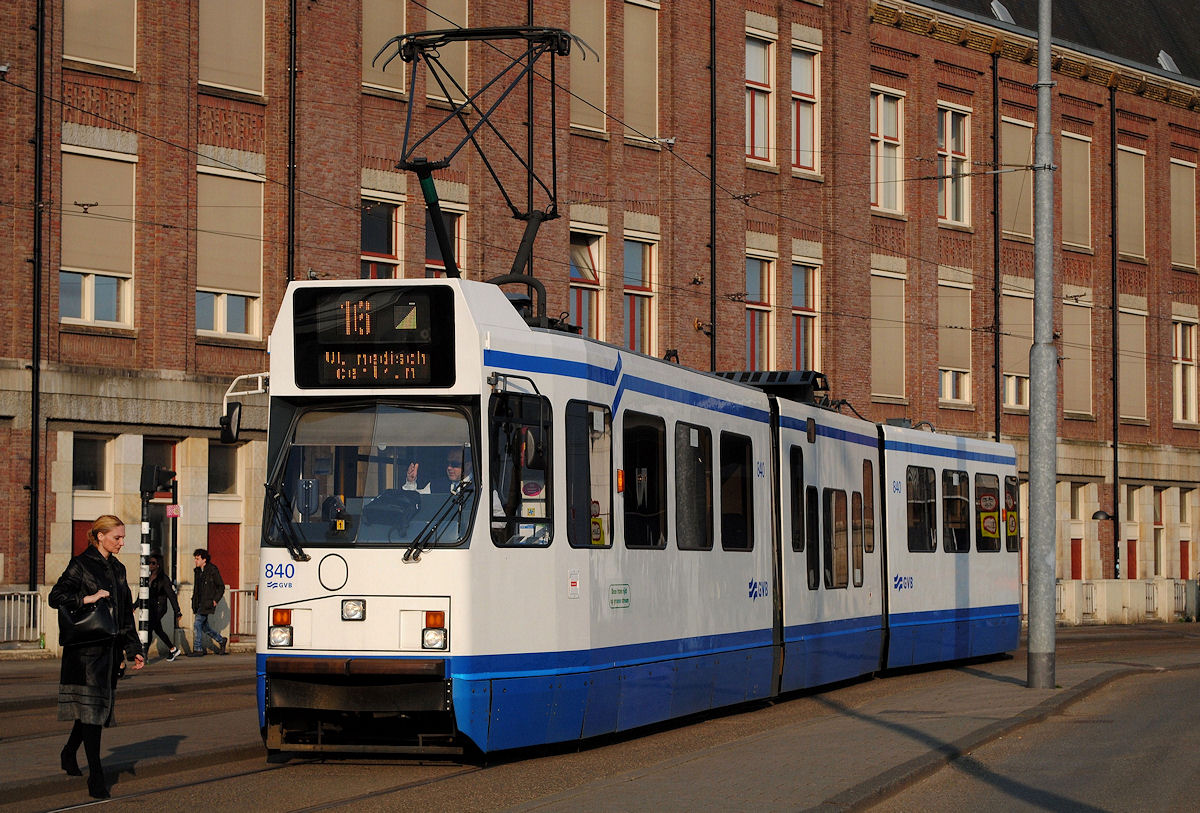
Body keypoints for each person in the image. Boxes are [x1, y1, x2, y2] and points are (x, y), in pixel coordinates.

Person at [48, 515, 145, 799]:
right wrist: (85, 599)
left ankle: (68, 752)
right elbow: (56, 596)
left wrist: (134, 649)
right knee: (92, 714)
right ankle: (97, 777)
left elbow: (125, 613)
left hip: (110, 653)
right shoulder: (81, 564)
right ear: (100, 536)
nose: (121, 542)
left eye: (123, 537)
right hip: (85, 652)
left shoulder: (118, 569)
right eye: (117, 537)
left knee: (95, 712)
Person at [189, 548, 227, 656]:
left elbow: (221, 586)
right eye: (195, 559)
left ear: (204, 560)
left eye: (197, 559)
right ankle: (221, 640)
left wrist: (215, 600)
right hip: (199, 602)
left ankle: (198, 649)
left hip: (207, 602)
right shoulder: (197, 571)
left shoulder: (212, 570)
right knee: (205, 627)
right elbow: (197, 588)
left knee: (197, 624)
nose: (195, 561)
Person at [147, 552, 182, 661]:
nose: (150, 565)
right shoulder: (148, 577)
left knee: (148, 629)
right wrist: (135, 605)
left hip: (159, 608)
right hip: (151, 607)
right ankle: (173, 649)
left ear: (158, 565)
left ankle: (143, 654)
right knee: (158, 630)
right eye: (149, 563)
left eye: (153, 563)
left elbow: (171, 595)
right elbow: (144, 593)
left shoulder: (163, 579)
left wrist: (177, 611)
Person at [403, 448, 470, 494]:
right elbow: (417, 500)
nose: (449, 468)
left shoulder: (477, 486)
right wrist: (410, 482)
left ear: (468, 465)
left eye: (454, 464)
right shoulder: (436, 485)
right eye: (447, 463)